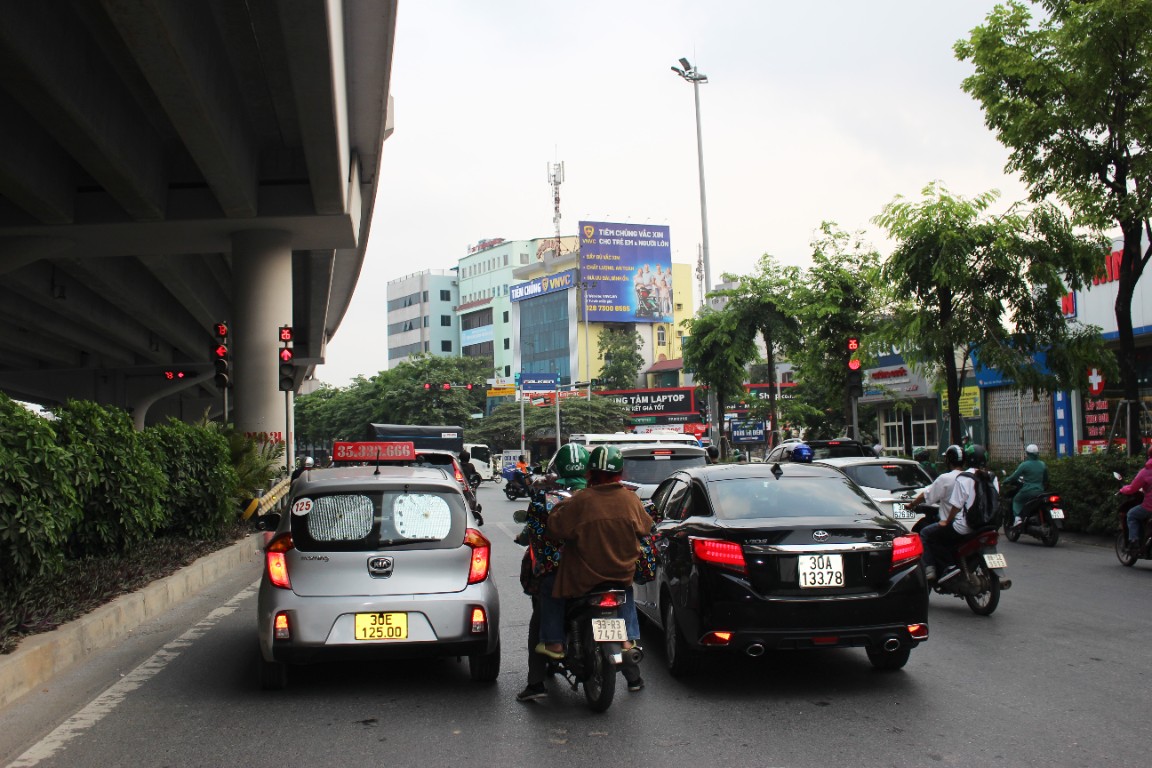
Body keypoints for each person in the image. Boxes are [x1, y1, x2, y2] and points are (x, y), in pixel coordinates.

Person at [538, 445, 652, 692]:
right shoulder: (630, 499)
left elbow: (555, 529)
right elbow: (646, 528)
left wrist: (560, 507)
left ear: (590, 472)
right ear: (620, 473)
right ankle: (627, 641)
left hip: (583, 579)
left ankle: (555, 643)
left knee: (548, 587)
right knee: (627, 592)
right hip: (621, 575)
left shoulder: (581, 500)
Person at [515, 443, 588, 702]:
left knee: (540, 616)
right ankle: (634, 676)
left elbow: (534, 532)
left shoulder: (546, 498)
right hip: (600, 570)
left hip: (559, 574)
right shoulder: (603, 495)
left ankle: (536, 682)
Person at [921, 443, 999, 584]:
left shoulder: (964, 477)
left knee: (927, 534)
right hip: (989, 524)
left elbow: (956, 506)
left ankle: (948, 567)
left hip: (966, 526)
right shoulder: (993, 477)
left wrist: (946, 521)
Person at [906, 444, 965, 581]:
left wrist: (911, 505)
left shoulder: (945, 478)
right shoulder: (970, 477)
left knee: (925, 534)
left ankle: (931, 569)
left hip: (954, 523)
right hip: (971, 522)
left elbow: (926, 495)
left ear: (948, 460)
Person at [1003, 444, 1049, 529]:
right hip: (1040, 491)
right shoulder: (1042, 464)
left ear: (1027, 454)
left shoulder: (1024, 465)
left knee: (1016, 500)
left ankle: (1018, 519)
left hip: (1028, 491)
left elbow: (1014, 477)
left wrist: (1005, 481)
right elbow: (1046, 479)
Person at [1119, 445, 1152, 553]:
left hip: (1149, 506)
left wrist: (1123, 489)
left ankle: (1134, 542)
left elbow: (1132, 488)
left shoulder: (1145, 472)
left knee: (1131, 515)